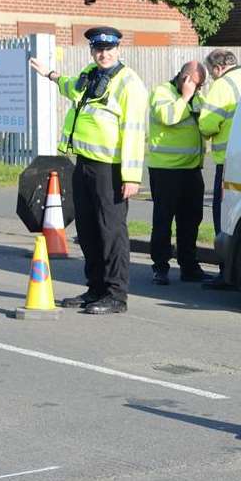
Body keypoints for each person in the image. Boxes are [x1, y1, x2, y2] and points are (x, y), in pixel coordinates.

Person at [29, 26, 147, 314]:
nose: (103, 54)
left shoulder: (129, 83)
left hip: (111, 169)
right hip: (84, 163)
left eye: (108, 49)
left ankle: (116, 295)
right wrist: (50, 74)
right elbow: (72, 87)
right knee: (88, 229)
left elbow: (133, 131)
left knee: (111, 231)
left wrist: (131, 176)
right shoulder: (91, 73)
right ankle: (95, 288)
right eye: (98, 49)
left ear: (119, 50)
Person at [147, 61, 212, 285]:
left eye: (200, 85)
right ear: (184, 78)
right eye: (196, 83)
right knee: (164, 220)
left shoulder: (197, 97)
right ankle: (160, 267)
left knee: (191, 219)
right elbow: (168, 117)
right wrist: (184, 97)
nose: (198, 89)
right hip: (166, 168)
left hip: (191, 169)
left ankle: (189, 265)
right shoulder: (162, 93)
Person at [199, 49, 241, 290]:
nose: (211, 76)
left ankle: (225, 274)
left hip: (228, 161)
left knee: (224, 219)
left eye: (211, 72)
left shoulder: (222, 85)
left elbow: (207, 124)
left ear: (217, 68)